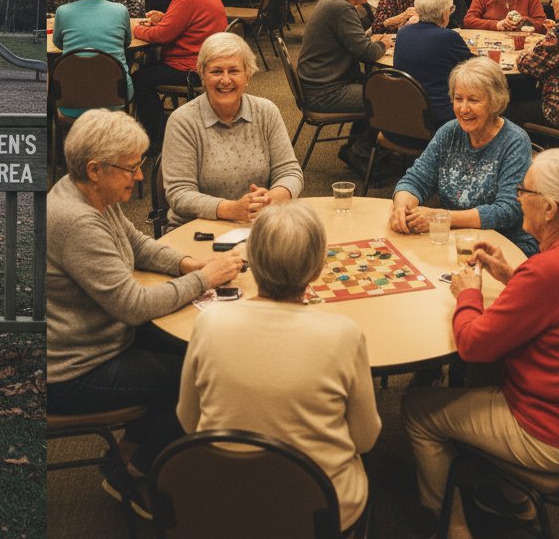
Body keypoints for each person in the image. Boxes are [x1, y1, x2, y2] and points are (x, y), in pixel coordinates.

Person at [47, 110, 243, 514]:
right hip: (75, 370)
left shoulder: (87, 190)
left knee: (208, 348)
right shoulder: (77, 221)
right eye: (132, 168)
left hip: (103, 335)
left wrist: (186, 263)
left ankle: (134, 445)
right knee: (205, 376)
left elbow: (136, 244)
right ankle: (135, 472)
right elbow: (133, 307)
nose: (139, 177)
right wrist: (204, 278)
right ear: (95, 168)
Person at [179, 203, 381, 533]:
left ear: (251, 262)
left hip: (220, 503)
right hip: (319, 509)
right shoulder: (344, 333)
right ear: (317, 270)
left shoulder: (209, 322)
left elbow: (189, 422)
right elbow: (366, 439)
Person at [402, 148, 559, 539]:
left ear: (550, 209)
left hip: (546, 430)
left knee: (417, 411)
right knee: (483, 372)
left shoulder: (544, 272)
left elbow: (473, 345)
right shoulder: (540, 272)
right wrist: (512, 275)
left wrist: (468, 293)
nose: (518, 197)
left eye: (525, 192)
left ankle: (454, 529)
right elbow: (545, 304)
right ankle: (517, 503)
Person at [389, 58, 536, 254]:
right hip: (456, 239)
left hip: (507, 245)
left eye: (473, 100)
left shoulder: (514, 141)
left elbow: (507, 211)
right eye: (459, 99)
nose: (463, 109)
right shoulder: (449, 132)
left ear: (495, 102)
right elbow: (415, 180)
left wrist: (443, 218)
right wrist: (402, 205)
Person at [161, 32, 302, 229]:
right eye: (216, 71)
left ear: (248, 75)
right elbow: (179, 194)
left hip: (258, 224)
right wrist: (233, 209)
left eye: (234, 71)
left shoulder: (266, 111)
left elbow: (290, 172)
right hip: (197, 229)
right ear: (202, 74)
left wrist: (271, 198)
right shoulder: (183, 121)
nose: (225, 80)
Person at [132, 0, 227, 152]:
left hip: (190, 67)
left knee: (138, 79)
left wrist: (134, 29)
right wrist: (165, 18)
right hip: (207, 59)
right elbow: (180, 24)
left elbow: (162, 35)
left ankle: (157, 137)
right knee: (146, 71)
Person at [296, 0, 386, 165]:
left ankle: (355, 147)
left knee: (375, 84)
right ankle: (362, 152)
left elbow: (356, 42)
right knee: (386, 97)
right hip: (325, 92)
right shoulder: (343, 10)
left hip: (317, 84)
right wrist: (384, 44)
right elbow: (367, 52)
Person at [53, 0, 132, 117]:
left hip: (71, 97)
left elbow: (58, 43)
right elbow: (126, 42)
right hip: (115, 96)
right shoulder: (120, 11)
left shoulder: (62, 12)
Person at [393, 0, 474, 128]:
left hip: (402, 120)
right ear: (445, 13)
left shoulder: (403, 33)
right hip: (438, 123)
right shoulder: (448, 38)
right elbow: (477, 67)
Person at [514, 0, 559, 128]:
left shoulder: (556, 37)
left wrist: (523, 53)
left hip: (555, 111)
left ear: (556, 6)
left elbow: (527, 63)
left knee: (508, 107)